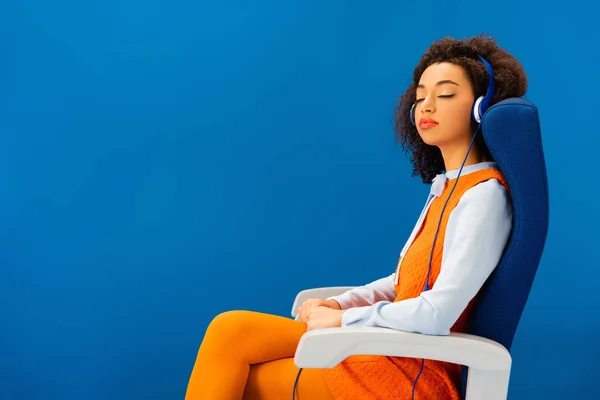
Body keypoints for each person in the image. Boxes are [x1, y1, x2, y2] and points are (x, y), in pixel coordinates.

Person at [184, 33, 528, 400]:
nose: (427, 106)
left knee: (241, 380)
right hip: (390, 350)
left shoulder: (484, 196)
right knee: (231, 331)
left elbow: (438, 313)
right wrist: (340, 303)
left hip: (410, 373)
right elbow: (404, 284)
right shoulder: (449, 188)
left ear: (481, 107)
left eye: (444, 94)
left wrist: (343, 320)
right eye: (420, 96)